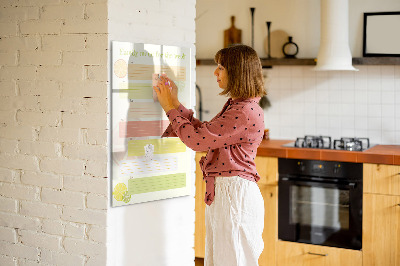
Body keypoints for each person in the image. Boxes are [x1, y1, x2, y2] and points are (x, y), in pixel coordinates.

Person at [153, 44, 266, 266]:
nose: (215, 72)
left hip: (234, 196)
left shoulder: (243, 111)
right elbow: (205, 133)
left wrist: (169, 108)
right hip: (228, 194)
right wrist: (175, 103)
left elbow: (197, 141)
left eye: (221, 67)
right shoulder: (239, 106)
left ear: (237, 72)